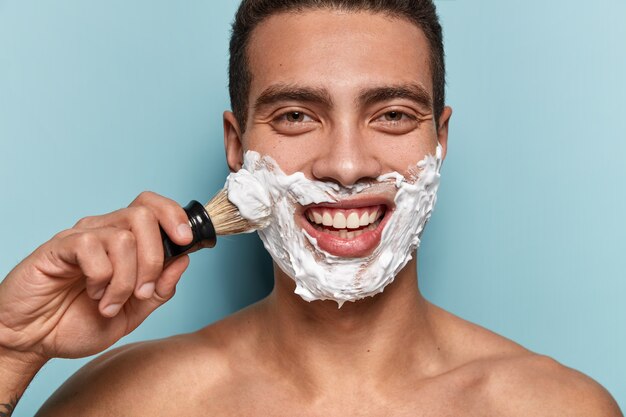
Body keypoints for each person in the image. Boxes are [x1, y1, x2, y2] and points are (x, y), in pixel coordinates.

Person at [0, 0, 622, 415]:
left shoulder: (554, 408)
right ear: (237, 147)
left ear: (440, 141)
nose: (346, 166)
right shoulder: (132, 405)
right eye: (297, 116)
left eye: (393, 115)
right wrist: (10, 352)